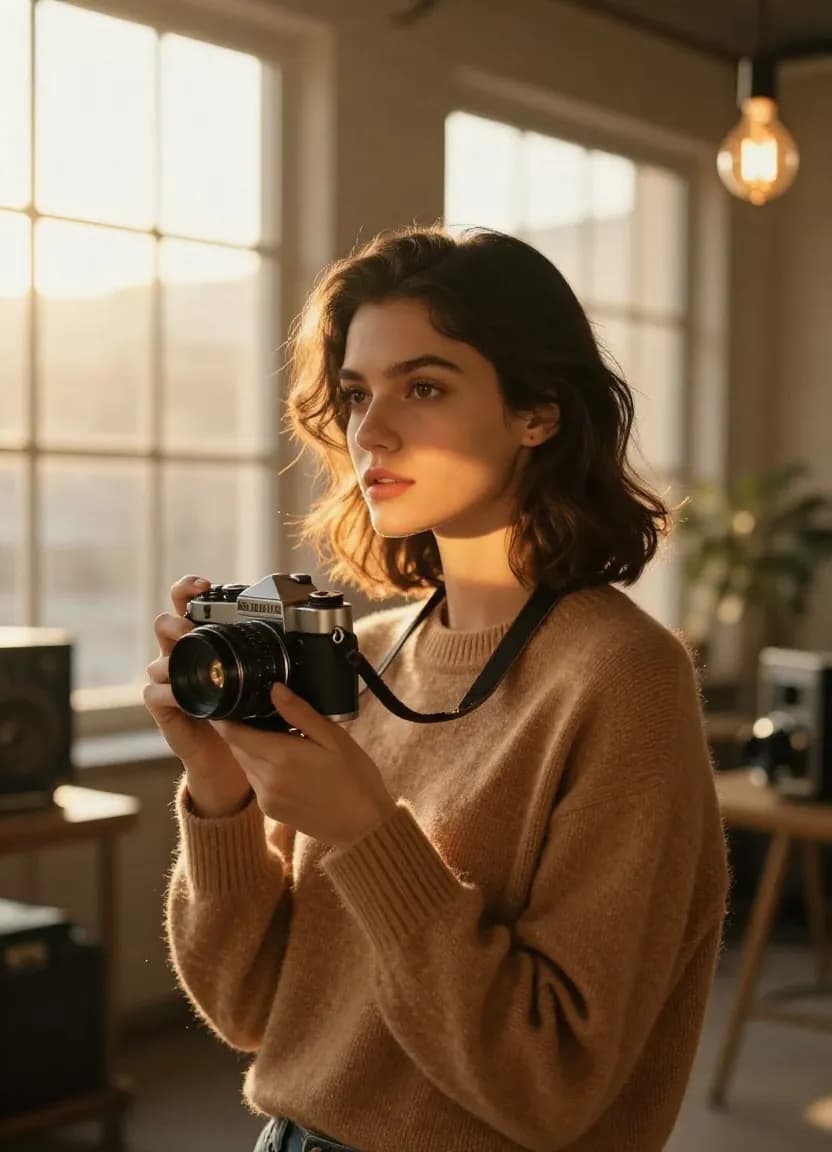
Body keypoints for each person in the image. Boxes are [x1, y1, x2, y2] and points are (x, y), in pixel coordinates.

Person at [144, 226, 729, 1152]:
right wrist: (221, 797)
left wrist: (367, 835)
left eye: (423, 387)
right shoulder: (364, 657)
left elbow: (551, 1082)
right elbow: (248, 1009)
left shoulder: (624, 679)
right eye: (355, 394)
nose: (370, 432)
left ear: (539, 412)